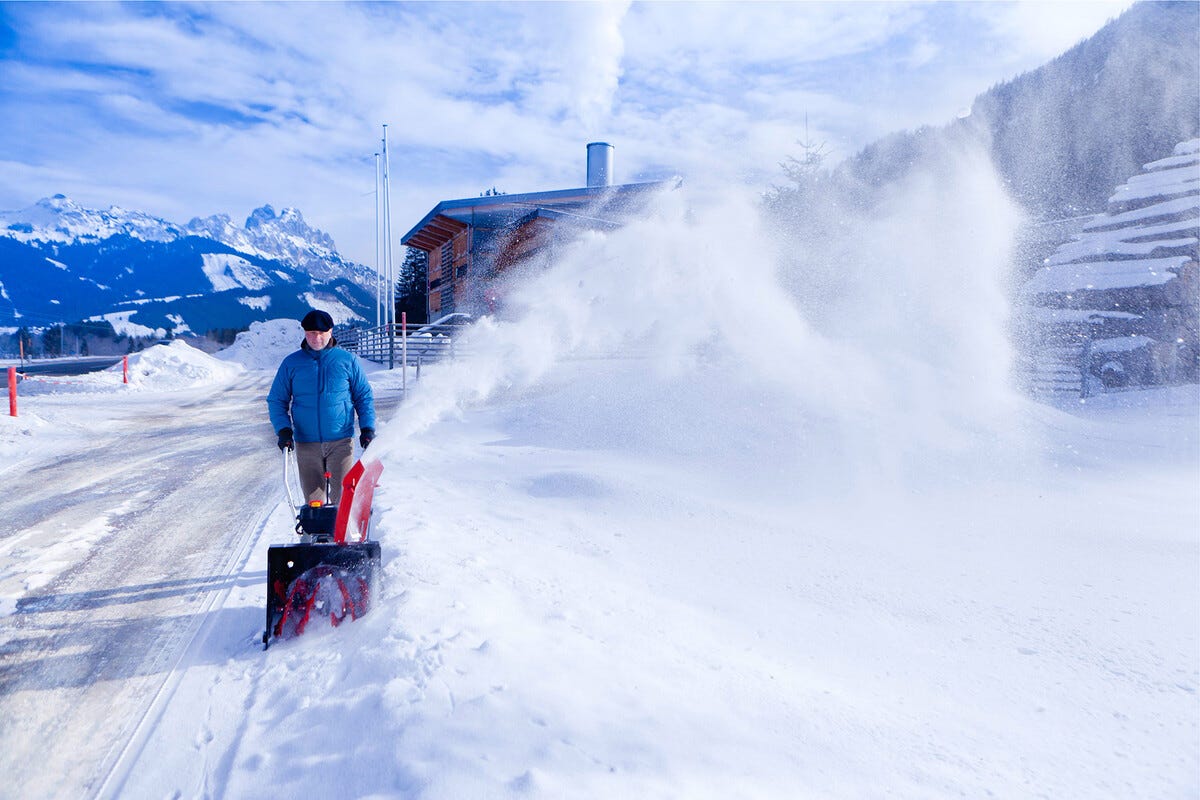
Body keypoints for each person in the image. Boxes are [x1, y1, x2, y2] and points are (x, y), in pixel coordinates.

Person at [268, 309, 376, 505]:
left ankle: (341, 525)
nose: (316, 338)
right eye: (311, 333)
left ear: (330, 332)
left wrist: (367, 428)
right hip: (306, 443)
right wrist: (283, 430)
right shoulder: (291, 363)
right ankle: (316, 526)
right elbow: (277, 400)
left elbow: (363, 396)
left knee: (343, 500)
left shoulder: (347, 360)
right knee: (313, 503)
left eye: (321, 333)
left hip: (341, 442)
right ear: (304, 333)